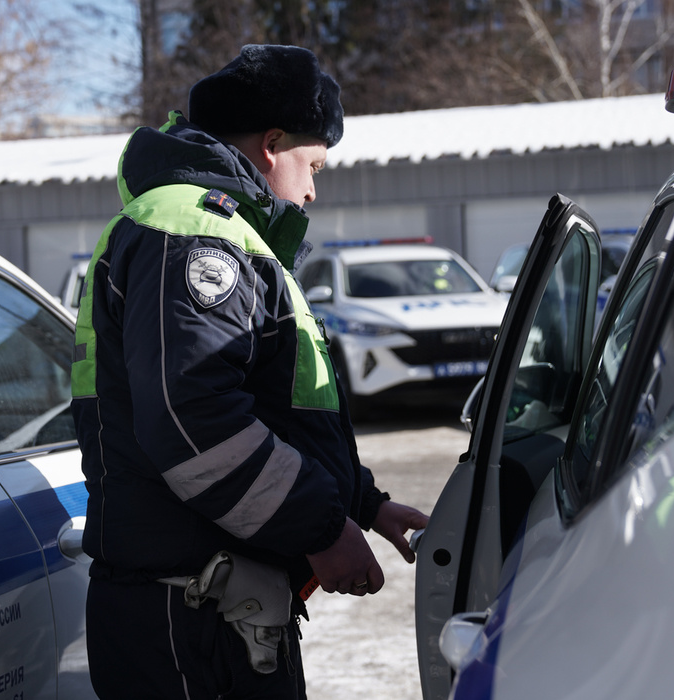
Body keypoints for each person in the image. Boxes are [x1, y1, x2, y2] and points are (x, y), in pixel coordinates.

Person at [71, 44, 429, 699]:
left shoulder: (221, 231)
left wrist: (362, 502)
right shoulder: (194, 229)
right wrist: (321, 528)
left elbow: (274, 404)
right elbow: (194, 419)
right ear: (271, 144)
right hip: (189, 617)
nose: (314, 187)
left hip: (215, 603)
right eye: (313, 163)